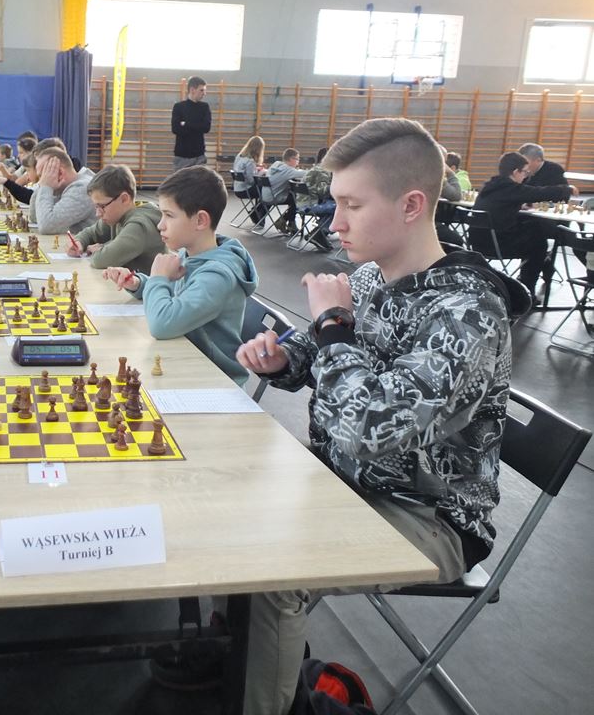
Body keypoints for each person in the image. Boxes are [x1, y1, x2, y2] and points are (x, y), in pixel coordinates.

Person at [235, 118, 530, 715]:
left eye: (352, 205)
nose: (334, 222)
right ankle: (242, 664)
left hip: (428, 516)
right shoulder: (371, 276)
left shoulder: (467, 312)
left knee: (271, 574)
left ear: (412, 205)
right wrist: (283, 359)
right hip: (345, 482)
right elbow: (320, 353)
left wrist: (332, 326)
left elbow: (370, 429)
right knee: (221, 508)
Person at [103, 166, 257, 386]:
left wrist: (159, 278)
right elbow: (177, 300)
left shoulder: (218, 276)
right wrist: (139, 283)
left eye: (169, 215)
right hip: (187, 362)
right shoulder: (191, 255)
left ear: (200, 220)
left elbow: (162, 324)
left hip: (214, 381)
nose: (160, 225)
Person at [472, 151, 576, 296]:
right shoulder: (510, 187)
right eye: (525, 173)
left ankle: (539, 274)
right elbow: (538, 193)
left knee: (532, 230)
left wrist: (517, 205)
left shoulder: (489, 186)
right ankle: (526, 290)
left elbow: (501, 204)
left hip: (478, 243)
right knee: (539, 243)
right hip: (498, 245)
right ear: (516, 172)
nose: (525, 177)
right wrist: (566, 189)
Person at [67, 164, 165, 274]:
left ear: (124, 199)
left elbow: (101, 260)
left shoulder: (139, 225)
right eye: (96, 206)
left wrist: (102, 248)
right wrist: (79, 242)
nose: (98, 213)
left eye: (102, 206)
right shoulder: (117, 216)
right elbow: (91, 233)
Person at [27, 145, 96, 234]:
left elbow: (47, 226)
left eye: (43, 176)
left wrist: (46, 187)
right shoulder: (64, 187)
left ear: (60, 173)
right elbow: (35, 217)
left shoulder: (82, 188)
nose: (41, 181)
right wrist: (43, 186)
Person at [294, 147, 334, 251]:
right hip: (311, 205)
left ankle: (318, 232)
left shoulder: (315, 168)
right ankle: (320, 233)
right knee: (340, 208)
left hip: (301, 204)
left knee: (332, 206)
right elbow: (322, 191)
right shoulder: (324, 170)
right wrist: (336, 186)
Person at [171, 76, 211, 171]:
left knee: (200, 180)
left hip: (199, 155)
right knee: (181, 180)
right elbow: (176, 129)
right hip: (182, 155)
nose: (204, 93)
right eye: (201, 90)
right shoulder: (179, 107)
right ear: (192, 90)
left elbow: (206, 128)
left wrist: (186, 124)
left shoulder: (204, 107)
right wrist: (197, 125)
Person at [261, 148, 304, 233]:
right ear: (291, 159)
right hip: (274, 197)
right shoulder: (289, 170)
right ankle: (286, 220)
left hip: (264, 196)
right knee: (297, 198)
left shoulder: (276, 164)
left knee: (293, 196)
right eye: (297, 159)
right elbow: (306, 174)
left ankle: (289, 222)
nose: (298, 161)